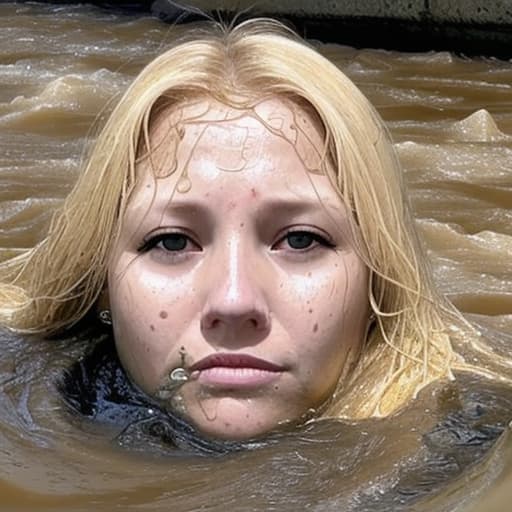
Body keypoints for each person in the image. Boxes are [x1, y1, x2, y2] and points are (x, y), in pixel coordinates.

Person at [0, 18, 507, 442]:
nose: (234, 301)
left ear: (381, 282)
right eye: (171, 242)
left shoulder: (473, 437)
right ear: (102, 288)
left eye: (301, 239)